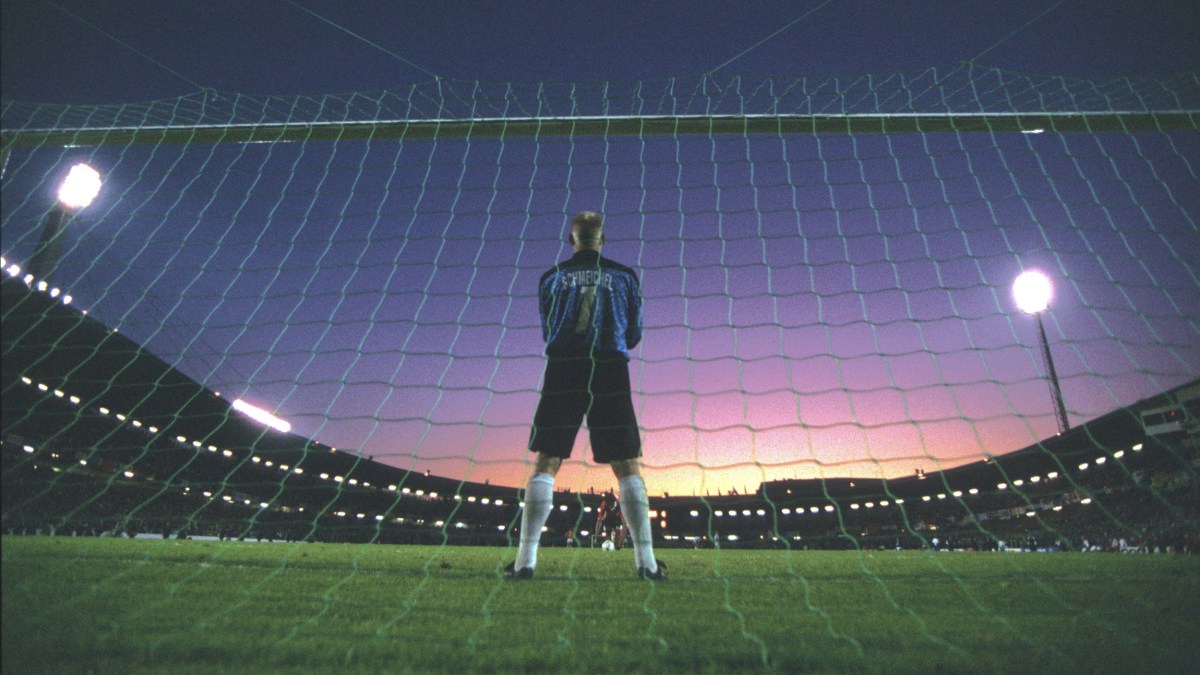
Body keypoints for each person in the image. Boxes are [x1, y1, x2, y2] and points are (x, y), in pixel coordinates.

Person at [505, 211, 666, 581]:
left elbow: (549, 328)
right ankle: (648, 565)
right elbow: (635, 332)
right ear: (602, 239)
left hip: (565, 367)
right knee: (627, 464)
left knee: (546, 460)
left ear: (571, 239)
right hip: (610, 366)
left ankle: (526, 562)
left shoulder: (551, 277)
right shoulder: (625, 276)